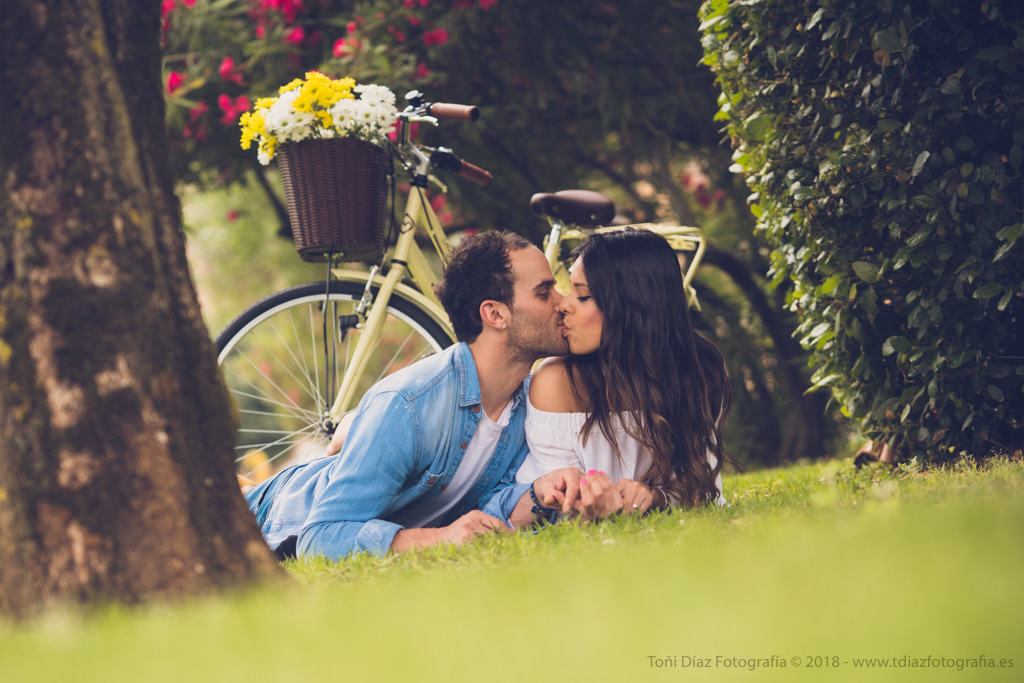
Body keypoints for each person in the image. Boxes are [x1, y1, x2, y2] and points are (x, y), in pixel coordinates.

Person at [243, 230, 582, 560]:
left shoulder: (527, 402)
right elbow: (321, 537)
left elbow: (486, 509)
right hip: (271, 517)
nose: (563, 303)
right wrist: (440, 539)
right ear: (495, 314)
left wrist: (538, 495)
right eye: (544, 292)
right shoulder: (408, 405)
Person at [516, 228, 732, 520]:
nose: (563, 305)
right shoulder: (556, 381)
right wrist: (587, 503)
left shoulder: (698, 369)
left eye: (582, 295)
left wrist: (656, 497)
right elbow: (554, 504)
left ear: (630, 305)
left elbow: (702, 491)